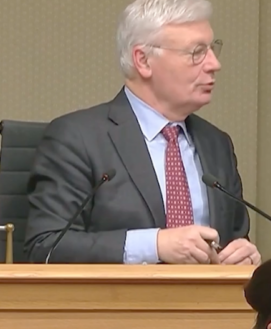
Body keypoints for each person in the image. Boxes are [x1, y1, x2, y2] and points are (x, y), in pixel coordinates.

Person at [23, 0, 259, 265]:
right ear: (143, 60)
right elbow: (46, 247)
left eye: (212, 49)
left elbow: (234, 238)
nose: (214, 64)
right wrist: (154, 245)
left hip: (205, 293)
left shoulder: (217, 144)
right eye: (197, 52)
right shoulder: (77, 139)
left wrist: (242, 257)